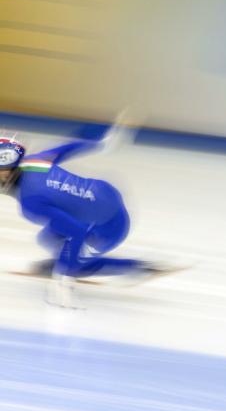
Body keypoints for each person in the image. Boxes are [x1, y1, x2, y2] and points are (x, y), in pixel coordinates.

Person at [0, 125, 172, 307]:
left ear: (8, 170)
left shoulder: (31, 202)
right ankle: (63, 262)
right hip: (104, 195)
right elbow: (69, 147)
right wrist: (102, 143)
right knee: (48, 237)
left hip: (107, 227)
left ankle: (136, 268)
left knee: (77, 263)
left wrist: (64, 277)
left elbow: (77, 232)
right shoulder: (35, 161)